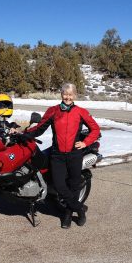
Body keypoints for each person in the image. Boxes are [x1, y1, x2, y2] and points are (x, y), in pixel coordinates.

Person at [25, 83, 100, 228]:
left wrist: (85, 143)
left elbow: (95, 129)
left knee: (74, 185)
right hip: (57, 155)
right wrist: (24, 134)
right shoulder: (53, 111)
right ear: (61, 94)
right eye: (65, 94)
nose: (67, 97)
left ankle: (67, 215)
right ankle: (80, 209)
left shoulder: (81, 112)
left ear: (75, 96)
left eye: (70, 95)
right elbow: (39, 128)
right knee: (59, 186)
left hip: (74, 154)